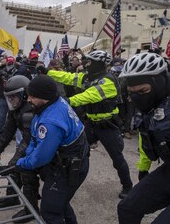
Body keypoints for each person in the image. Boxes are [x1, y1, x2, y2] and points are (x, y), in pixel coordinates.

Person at [38, 50, 133, 199]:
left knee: (117, 158)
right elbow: (68, 77)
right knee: (76, 153)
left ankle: (128, 186)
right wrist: (48, 73)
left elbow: (88, 96)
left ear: (99, 64)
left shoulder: (108, 81)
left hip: (108, 125)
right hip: (91, 124)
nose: (86, 64)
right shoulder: (88, 77)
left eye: (89, 62)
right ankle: (70, 182)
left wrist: (68, 101)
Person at [117, 52, 170, 224]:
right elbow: (148, 137)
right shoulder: (152, 104)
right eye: (132, 93)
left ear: (159, 82)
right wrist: (143, 167)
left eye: (143, 91)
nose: (137, 97)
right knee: (127, 208)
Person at [16, 75, 90, 224]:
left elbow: (42, 157)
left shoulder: (51, 121)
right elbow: (35, 137)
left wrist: (22, 163)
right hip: (66, 164)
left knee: (49, 212)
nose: (28, 99)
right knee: (59, 204)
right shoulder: (53, 103)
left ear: (44, 97)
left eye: (32, 96)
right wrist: (29, 154)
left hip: (67, 169)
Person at [0, 75, 39, 223]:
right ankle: (12, 198)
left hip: (39, 146)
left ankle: (31, 209)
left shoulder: (29, 111)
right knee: (14, 169)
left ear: (24, 94)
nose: (11, 100)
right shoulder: (16, 109)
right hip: (28, 144)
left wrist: (14, 163)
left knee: (26, 174)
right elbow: (8, 130)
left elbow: (29, 140)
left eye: (14, 97)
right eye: (9, 97)